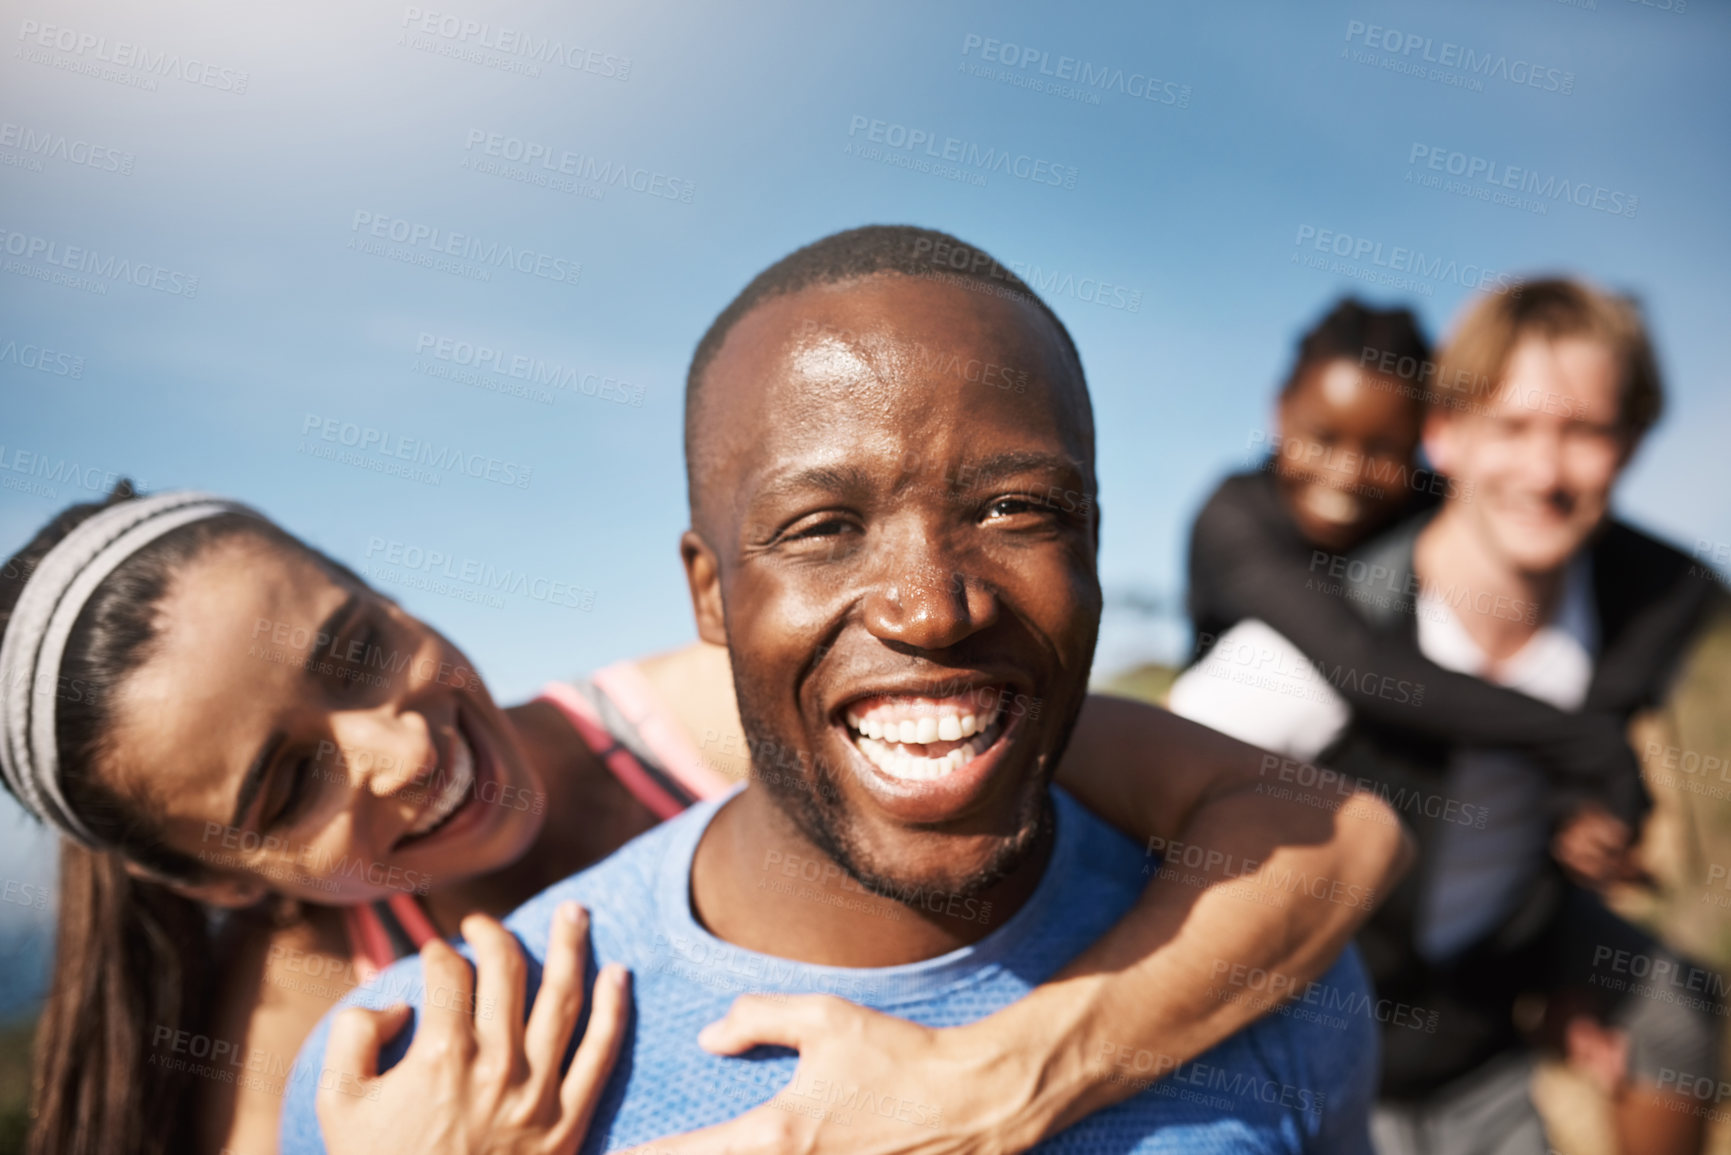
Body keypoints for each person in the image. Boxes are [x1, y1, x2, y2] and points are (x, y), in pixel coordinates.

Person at [280, 224, 1387, 1154]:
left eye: (1014, 509)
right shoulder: (408, 1084)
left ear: (1093, 545)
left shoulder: (1267, 972)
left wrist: (1011, 1075)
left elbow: (1336, 828)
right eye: (822, 529)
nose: (932, 608)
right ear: (709, 594)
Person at [0, 435, 1406, 1145]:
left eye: (357, 643)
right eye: (286, 782)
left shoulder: (717, 713)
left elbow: (1315, 824)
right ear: (215, 878)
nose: (395, 743)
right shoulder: (319, 1034)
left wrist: (1006, 1074)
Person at [1170, 278, 1724, 1154]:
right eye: (1511, 427)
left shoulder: (1648, 603)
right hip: (1329, 1048)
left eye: (1583, 430)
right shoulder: (1312, 636)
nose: (1544, 473)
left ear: (1630, 439)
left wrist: (1591, 832)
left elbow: (1605, 749)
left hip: (1485, 1034)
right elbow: (1144, 810)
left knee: (1678, 1004)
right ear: (1446, 433)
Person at [1175, 296, 1651, 834]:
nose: (1348, 474)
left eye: (1384, 449)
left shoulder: (1427, 509)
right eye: (1323, 438)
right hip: (1234, 779)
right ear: (1279, 410)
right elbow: (1362, 664)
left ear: (1424, 441)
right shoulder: (1233, 520)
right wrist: (1580, 740)